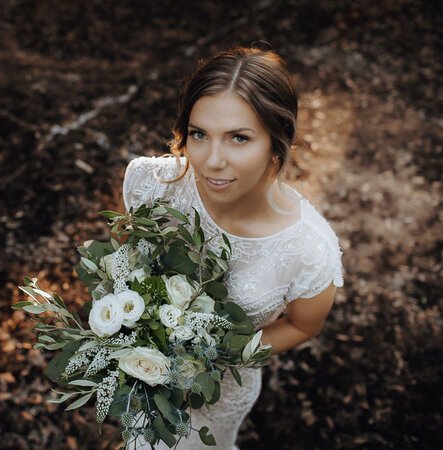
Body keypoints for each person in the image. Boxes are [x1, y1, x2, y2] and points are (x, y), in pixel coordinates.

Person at [122, 46, 345, 449]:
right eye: (199, 134)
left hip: (218, 395)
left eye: (238, 138)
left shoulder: (310, 251)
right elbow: (131, 266)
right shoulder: (152, 187)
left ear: (278, 141)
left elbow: (303, 324)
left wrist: (222, 354)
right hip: (140, 372)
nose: (212, 161)